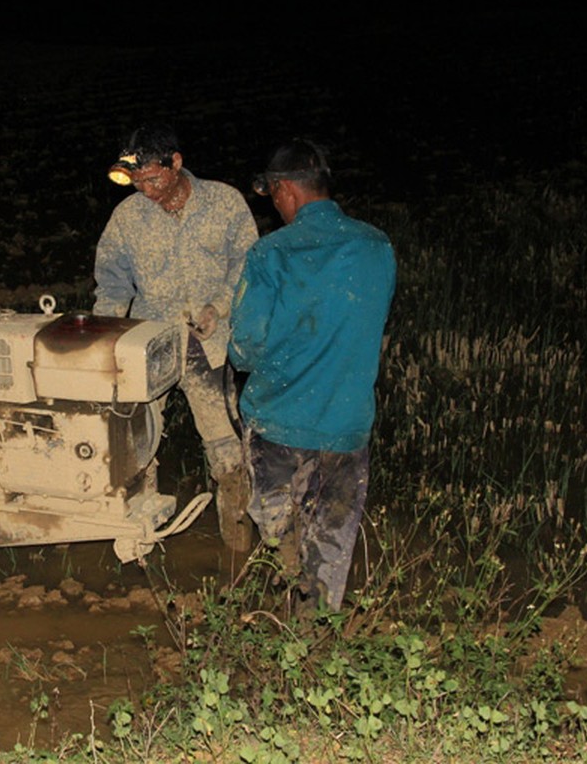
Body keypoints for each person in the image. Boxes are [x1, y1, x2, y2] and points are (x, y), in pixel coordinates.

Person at [229, 139, 396, 612]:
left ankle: (281, 615)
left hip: (278, 425)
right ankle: (315, 630)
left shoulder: (269, 254)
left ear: (285, 192)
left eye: (273, 197)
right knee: (330, 549)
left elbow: (243, 350)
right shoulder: (377, 246)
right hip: (346, 427)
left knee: (280, 537)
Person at [93, 124, 258, 549]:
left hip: (209, 341)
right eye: (135, 181)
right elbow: (112, 285)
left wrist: (218, 306)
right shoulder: (127, 217)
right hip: (149, 342)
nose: (144, 189)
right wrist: (105, 339)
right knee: (134, 441)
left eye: (152, 178)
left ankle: (237, 544)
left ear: (176, 163)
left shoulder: (224, 203)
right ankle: (139, 539)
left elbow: (248, 267)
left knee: (226, 445)